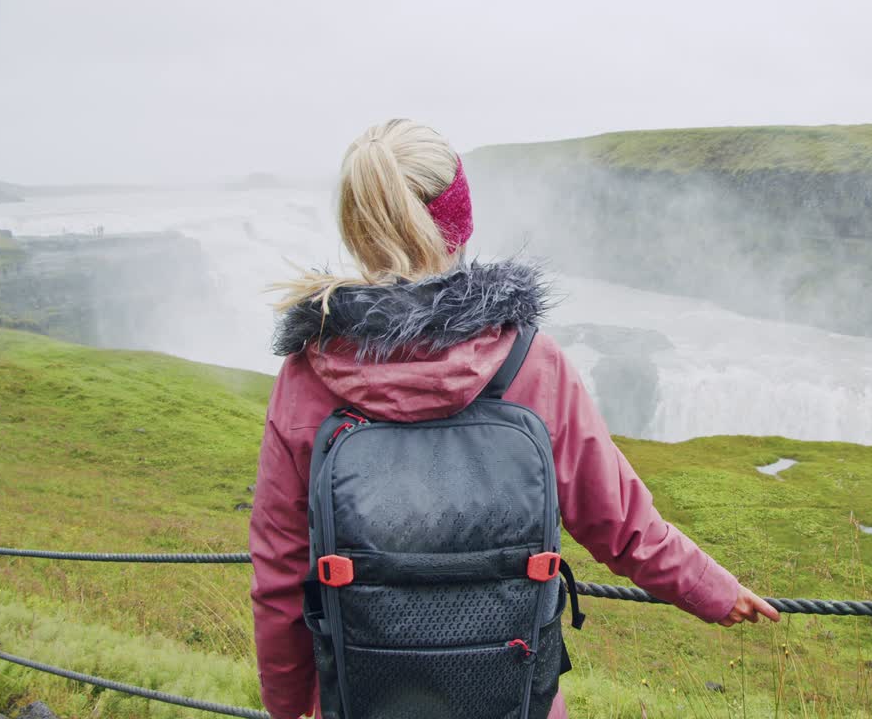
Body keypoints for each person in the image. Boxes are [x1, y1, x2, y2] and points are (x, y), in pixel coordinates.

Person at [249, 118, 779, 719]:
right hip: (510, 700)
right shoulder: (530, 360)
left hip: (364, 698)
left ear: (356, 225)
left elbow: (279, 578)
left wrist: (291, 709)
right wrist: (716, 591)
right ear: (460, 219)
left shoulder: (308, 373)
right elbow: (620, 524)